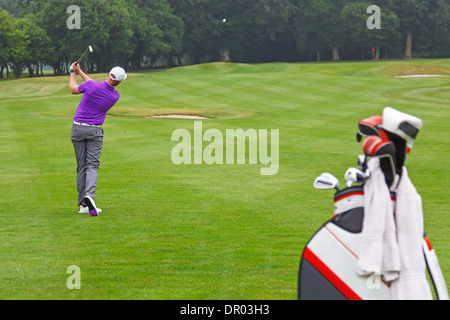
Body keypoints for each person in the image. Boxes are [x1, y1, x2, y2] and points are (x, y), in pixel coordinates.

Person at [69, 63, 127, 216]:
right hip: (94, 131)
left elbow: (74, 89)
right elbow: (94, 85)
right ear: (120, 82)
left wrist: (72, 74)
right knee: (92, 166)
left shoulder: (91, 86)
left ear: (108, 73)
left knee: (81, 166)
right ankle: (89, 196)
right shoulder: (115, 96)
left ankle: (83, 205)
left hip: (77, 129)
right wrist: (80, 71)